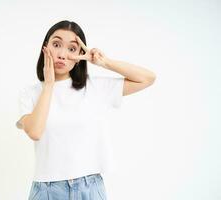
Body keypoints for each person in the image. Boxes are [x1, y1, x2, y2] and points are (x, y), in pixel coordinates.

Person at [16, 20, 156, 200]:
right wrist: (49, 85)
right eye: (56, 44)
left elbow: (147, 79)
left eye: (72, 49)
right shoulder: (30, 93)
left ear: (80, 55)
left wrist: (104, 62)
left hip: (89, 189)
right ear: (45, 48)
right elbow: (35, 131)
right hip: (47, 191)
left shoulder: (94, 86)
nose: (62, 54)